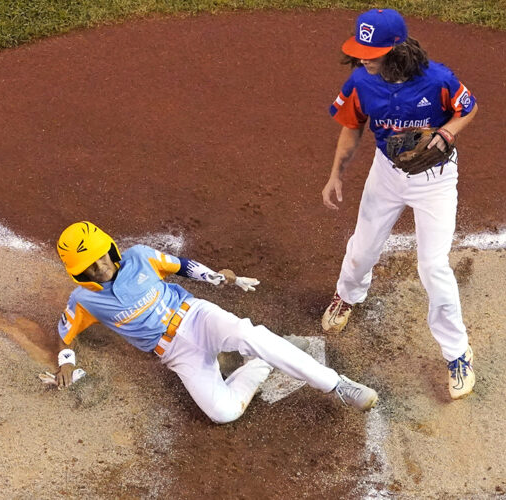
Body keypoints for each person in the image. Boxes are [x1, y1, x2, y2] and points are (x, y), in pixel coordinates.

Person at [51, 221, 378, 424]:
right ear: (78, 273)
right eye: (90, 267)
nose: (101, 267)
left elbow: (181, 266)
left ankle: (338, 385)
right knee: (223, 413)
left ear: (109, 248)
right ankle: (271, 359)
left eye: (101, 257)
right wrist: (66, 363)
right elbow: (65, 335)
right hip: (175, 354)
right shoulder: (84, 300)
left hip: (195, 316)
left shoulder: (138, 256)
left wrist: (217, 277)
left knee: (246, 334)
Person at [320, 8, 478, 399]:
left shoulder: (438, 79)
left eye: (369, 52)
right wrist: (336, 174)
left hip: (435, 182)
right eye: (359, 50)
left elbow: (469, 107)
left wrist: (446, 132)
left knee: (433, 266)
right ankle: (348, 295)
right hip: (387, 175)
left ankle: (458, 353)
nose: (362, 58)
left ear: (394, 48)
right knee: (363, 249)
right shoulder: (360, 82)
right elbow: (351, 129)